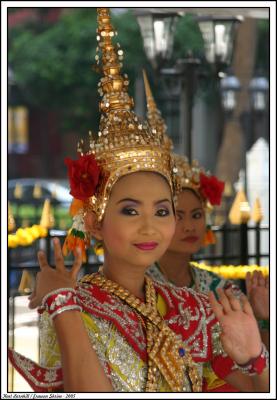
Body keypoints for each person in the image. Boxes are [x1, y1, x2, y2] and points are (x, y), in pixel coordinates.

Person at [8, 8, 269, 393]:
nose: (150, 225)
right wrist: (63, 303)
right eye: (130, 210)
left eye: (162, 211)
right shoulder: (72, 305)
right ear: (95, 222)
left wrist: (254, 355)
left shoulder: (193, 307)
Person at [143, 71, 269, 391]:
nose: (189, 225)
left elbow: (257, 377)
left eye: (197, 215)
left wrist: (261, 316)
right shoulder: (137, 286)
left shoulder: (221, 289)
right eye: (176, 214)